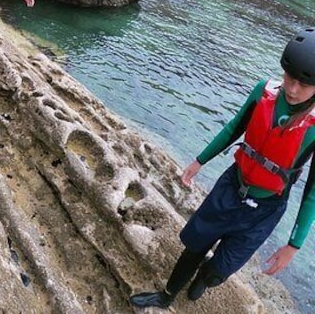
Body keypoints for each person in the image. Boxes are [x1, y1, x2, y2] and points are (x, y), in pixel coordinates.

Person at [130, 27, 315, 309]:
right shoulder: (264, 92)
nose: (292, 89)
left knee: (220, 270)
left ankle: (206, 276)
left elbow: (312, 193)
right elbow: (233, 129)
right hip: (231, 187)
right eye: (290, 77)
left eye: (304, 84)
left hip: (264, 209)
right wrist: (199, 161)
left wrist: (294, 245)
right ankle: (166, 296)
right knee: (194, 246)